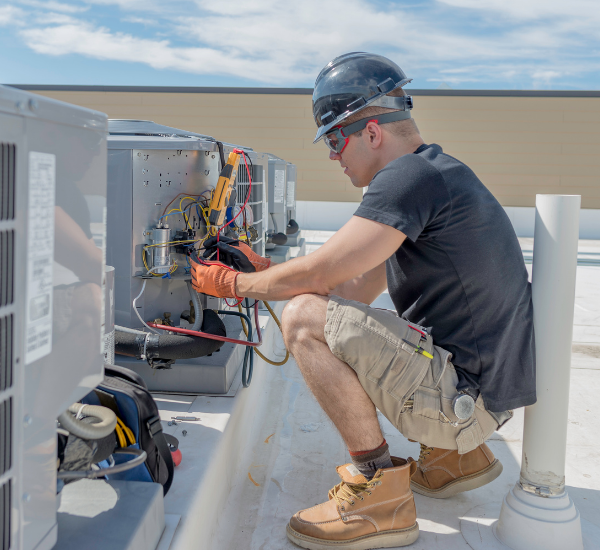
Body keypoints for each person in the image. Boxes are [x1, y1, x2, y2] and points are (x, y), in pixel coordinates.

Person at [191, 52, 535, 550]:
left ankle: (378, 492)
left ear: (372, 132)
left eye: (334, 138)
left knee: (304, 320)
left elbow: (322, 274)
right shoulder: (437, 175)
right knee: (330, 311)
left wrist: (231, 284)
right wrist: (267, 271)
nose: (332, 154)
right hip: (483, 396)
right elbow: (350, 289)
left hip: (464, 402)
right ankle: (456, 458)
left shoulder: (406, 178)